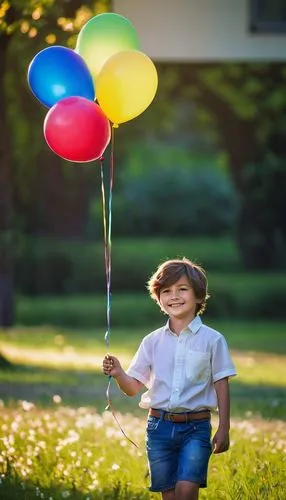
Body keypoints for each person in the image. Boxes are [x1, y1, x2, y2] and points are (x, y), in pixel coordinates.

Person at [102, 258, 236, 500]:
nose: (174, 296)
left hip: (196, 427)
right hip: (158, 428)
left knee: (186, 491)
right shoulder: (152, 341)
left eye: (182, 289)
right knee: (170, 495)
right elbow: (132, 388)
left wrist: (224, 427)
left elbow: (221, 383)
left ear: (198, 297)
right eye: (166, 291)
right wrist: (119, 373)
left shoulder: (213, 340)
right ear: (159, 300)